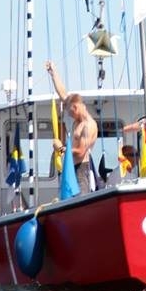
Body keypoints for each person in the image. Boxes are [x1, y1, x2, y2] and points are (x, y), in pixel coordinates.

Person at [45, 60, 98, 193]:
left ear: (75, 107)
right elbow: (64, 95)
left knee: (79, 200)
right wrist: (54, 73)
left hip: (81, 171)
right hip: (70, 167)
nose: (68, 114)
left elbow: (80, 151)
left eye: (69, 111)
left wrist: (61, 148)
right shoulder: (77, 117)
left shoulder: (88, 125)